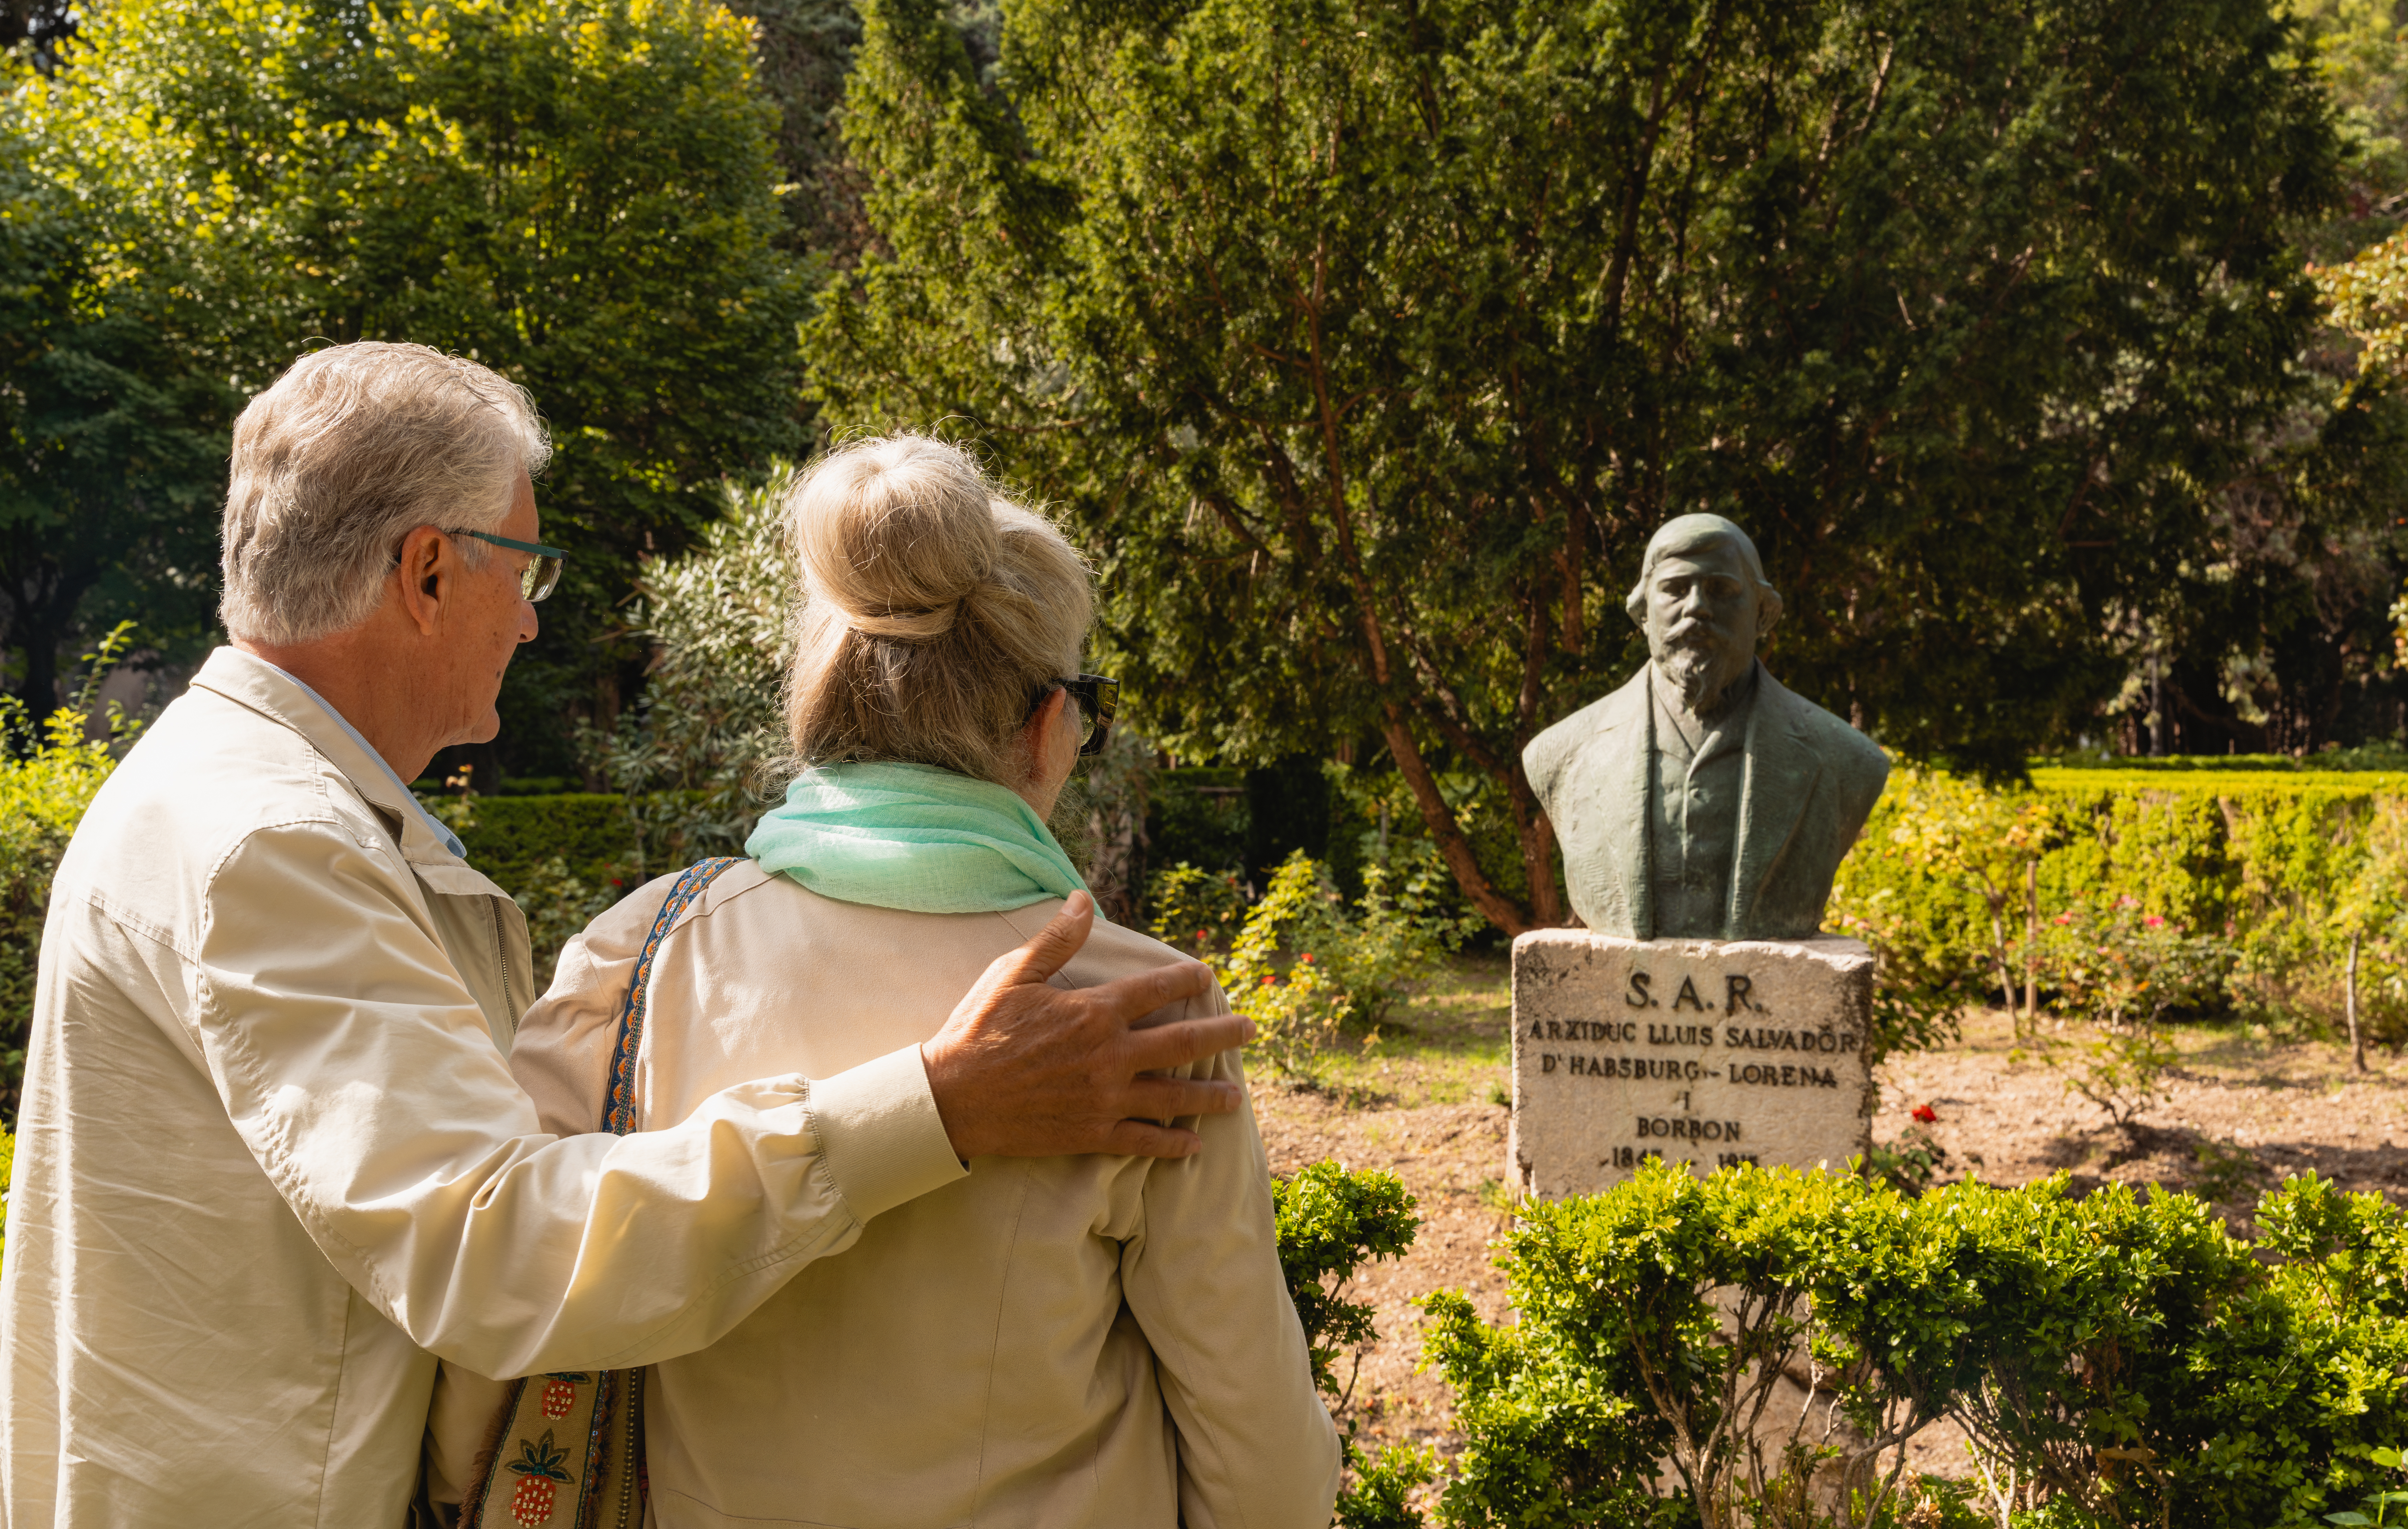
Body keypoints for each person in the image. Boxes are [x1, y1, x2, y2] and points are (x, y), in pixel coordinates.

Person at [0, 343, 1251, 1527]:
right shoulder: (269, 840)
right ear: (429, 571)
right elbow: (494, 1248)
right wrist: (938, 1105)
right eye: (524, 571)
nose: (536, 621)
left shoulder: (252, 801)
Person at [509, 435, 1339, 1528]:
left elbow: (506, 1287)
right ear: (1047, 726)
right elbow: (1259, 1454)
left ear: (819, 707)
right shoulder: (1144, 1008)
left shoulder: (644, 953)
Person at [1522, 512, 1889, 940]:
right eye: (1675, 590)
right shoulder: (1561, 753)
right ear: (1644, 614)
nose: (1696, 607)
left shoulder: (1846, 758)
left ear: (1763, 615)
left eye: (1721, 589)